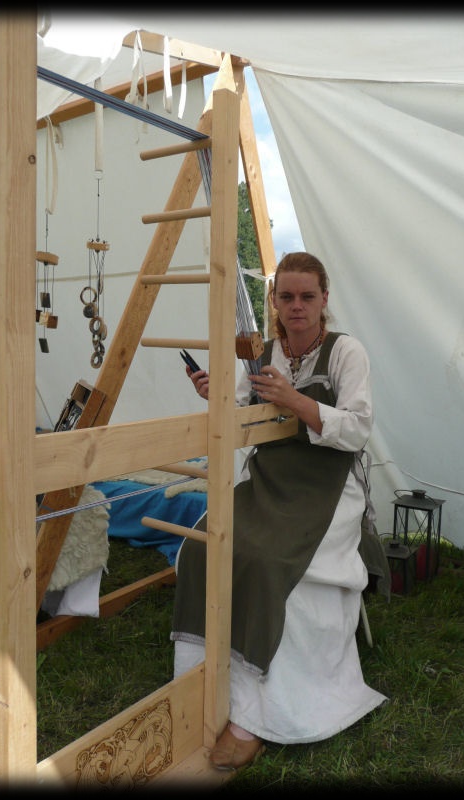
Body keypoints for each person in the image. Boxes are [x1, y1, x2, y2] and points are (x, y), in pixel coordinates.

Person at [171, 251, 387, 770]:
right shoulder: (262, 351)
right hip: (269, 476)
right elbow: (244, 418)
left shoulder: (344, 352)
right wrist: (216, 396)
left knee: (268, 562)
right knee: (203, 547)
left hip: (325, 484)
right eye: (286, 296)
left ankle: (256, 716)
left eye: (306, 296)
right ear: (273, 301)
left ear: (324, 300)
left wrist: (295, 400)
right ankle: (202, 685)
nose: (296, 306)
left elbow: (356, 429)